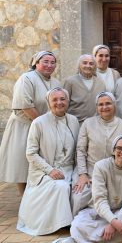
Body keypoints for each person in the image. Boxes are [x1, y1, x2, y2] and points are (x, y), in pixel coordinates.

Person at [17, 87, 79, 235]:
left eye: (62, 99)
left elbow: (78, 150)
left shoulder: (74, 120)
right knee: (62, 186)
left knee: (81, 188)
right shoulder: (38, 123)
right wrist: (50, 170)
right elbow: (31, 153)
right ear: (48, 103)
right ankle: (60, 224)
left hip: (69, 168)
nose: (59, 102)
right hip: (45, 171)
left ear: (68, 101)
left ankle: (77, 222)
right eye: (55, 100)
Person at [0, 51, 61, 195]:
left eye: (53, 62)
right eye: (45, 62)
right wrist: (43, 124)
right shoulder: (26, 78)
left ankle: (39, 196)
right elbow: (26, 105)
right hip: (24, 126)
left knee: (43, 162)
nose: (49, 65)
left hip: (45, 126)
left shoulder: (56, 82)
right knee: (23, 164)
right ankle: (24, 199)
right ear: (36, 63)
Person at [70, 135, 122, 242]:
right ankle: (115, 235)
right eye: (119, 148)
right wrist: (113, 221)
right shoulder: (100, 166)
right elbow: (99, 200)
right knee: (76, 225)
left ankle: (98, 236)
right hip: (100, 211)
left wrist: (113, 224)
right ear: (113, 150)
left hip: (121, 211)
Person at [71, 92, 122, 215]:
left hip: (115, 173)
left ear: (114, 105)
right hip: (90, 171)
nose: (104, 107)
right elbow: (81, 150)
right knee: (78, 198)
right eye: (101, 104)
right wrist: (82, 174)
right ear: (97, 107)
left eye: (108, 103)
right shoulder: (88, 123)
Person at [63, 54, 106, 125]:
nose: (88, 66)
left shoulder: (100, 83)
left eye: (91, 63)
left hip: (95, 124)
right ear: (79, 65)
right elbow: (64, 104)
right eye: (84, 63)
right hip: (75, 124)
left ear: (95, 66)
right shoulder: (70, 82)